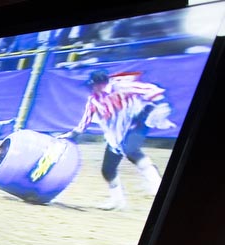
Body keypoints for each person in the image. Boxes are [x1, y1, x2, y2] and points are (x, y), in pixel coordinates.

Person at [59, 70, 175, 210]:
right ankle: (117, 201)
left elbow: (149, 89)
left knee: (130, 150)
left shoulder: (122, 87)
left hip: (135, 122)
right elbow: (85, 120)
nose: (92, 88)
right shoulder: (93, 100)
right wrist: (73, 134)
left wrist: (160, 103)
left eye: (94, 85)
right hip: (115, 134)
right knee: (107, 169)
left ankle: (156, 184)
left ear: (101, 83)